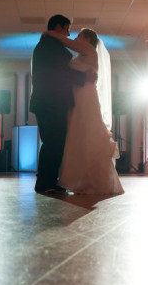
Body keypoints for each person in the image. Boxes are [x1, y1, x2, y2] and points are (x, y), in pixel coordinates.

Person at [43, 28, 124, 194]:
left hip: (85, 98)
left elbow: (69, 43)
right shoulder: (81, 55)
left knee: (88, 134)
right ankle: (81, 180)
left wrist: (51, 33)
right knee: (78, 136)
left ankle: (93, 181)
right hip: (76, 99)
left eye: (79, 35)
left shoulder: (88, 50)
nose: (76, 38)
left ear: (87, 38)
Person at [29, 14, 96, 194]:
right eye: (67, 28)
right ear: (58, 27)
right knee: (53, 142)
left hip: (48, 101)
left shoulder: (47, 44)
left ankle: (49, 180)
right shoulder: (52, 46)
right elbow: (59, 73)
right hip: (51, 101)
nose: (68, 32)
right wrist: (85, 77)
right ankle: (45, 182)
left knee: (53, 141)